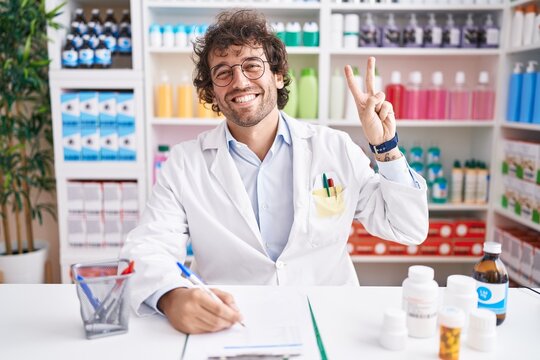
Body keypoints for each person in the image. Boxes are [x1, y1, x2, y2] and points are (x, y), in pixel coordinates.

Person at [120, 9, 428, 334]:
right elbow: (147, 246)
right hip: (228, 323)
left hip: (328, 322)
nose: (239, 81)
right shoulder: (185, 163)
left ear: (278, 75)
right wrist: (170, 297)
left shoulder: (334, 148)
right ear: (211, 91)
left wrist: (386, 148)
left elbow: (408, 229)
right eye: (223, 72)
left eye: (253, 66)